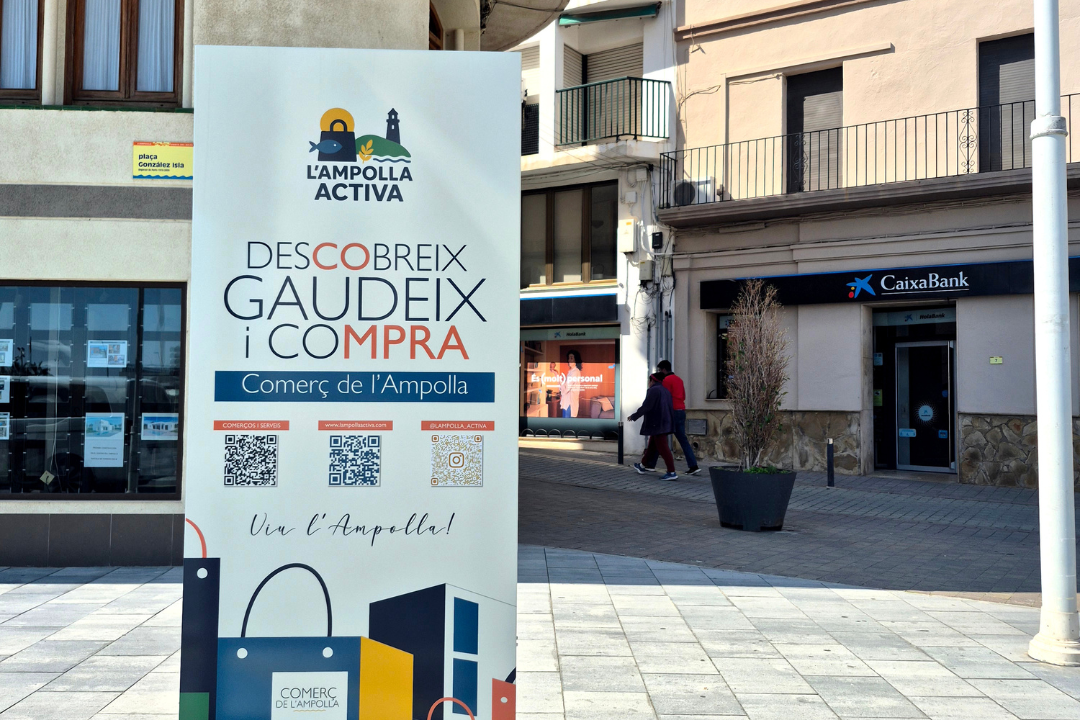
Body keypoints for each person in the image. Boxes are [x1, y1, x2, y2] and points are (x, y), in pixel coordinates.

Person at [643, 360, 701, 475]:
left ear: (664, 370)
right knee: (682, 440)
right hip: (681, 410)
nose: (659, 372)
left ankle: (651, 464)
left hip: (670, 412)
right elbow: (683, 395)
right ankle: (693, 466)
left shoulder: (665, 380)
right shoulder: (679, 380)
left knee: (658, 437)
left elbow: (663, 396)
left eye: (660, 370)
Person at [629, 373, 678, 481]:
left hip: (657, 423)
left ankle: (671, 472)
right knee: (652, 445)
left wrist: (634, 416)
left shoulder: (653, 390)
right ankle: (642, 465)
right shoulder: (665, 390)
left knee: (663, 448)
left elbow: (647, 406)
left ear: (652, 381)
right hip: (665, 422)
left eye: (649, 381)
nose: (648, 383)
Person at [559, 350, 582, 418]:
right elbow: (565, 387)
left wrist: (557, 376)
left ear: (576, 360)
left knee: (567, 423)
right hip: (567, 401)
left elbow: (566, 389)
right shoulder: (571, 371)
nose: (569, 360)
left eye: (571, 358)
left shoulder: (575, 372)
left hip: (569, 403)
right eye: (569, 358)